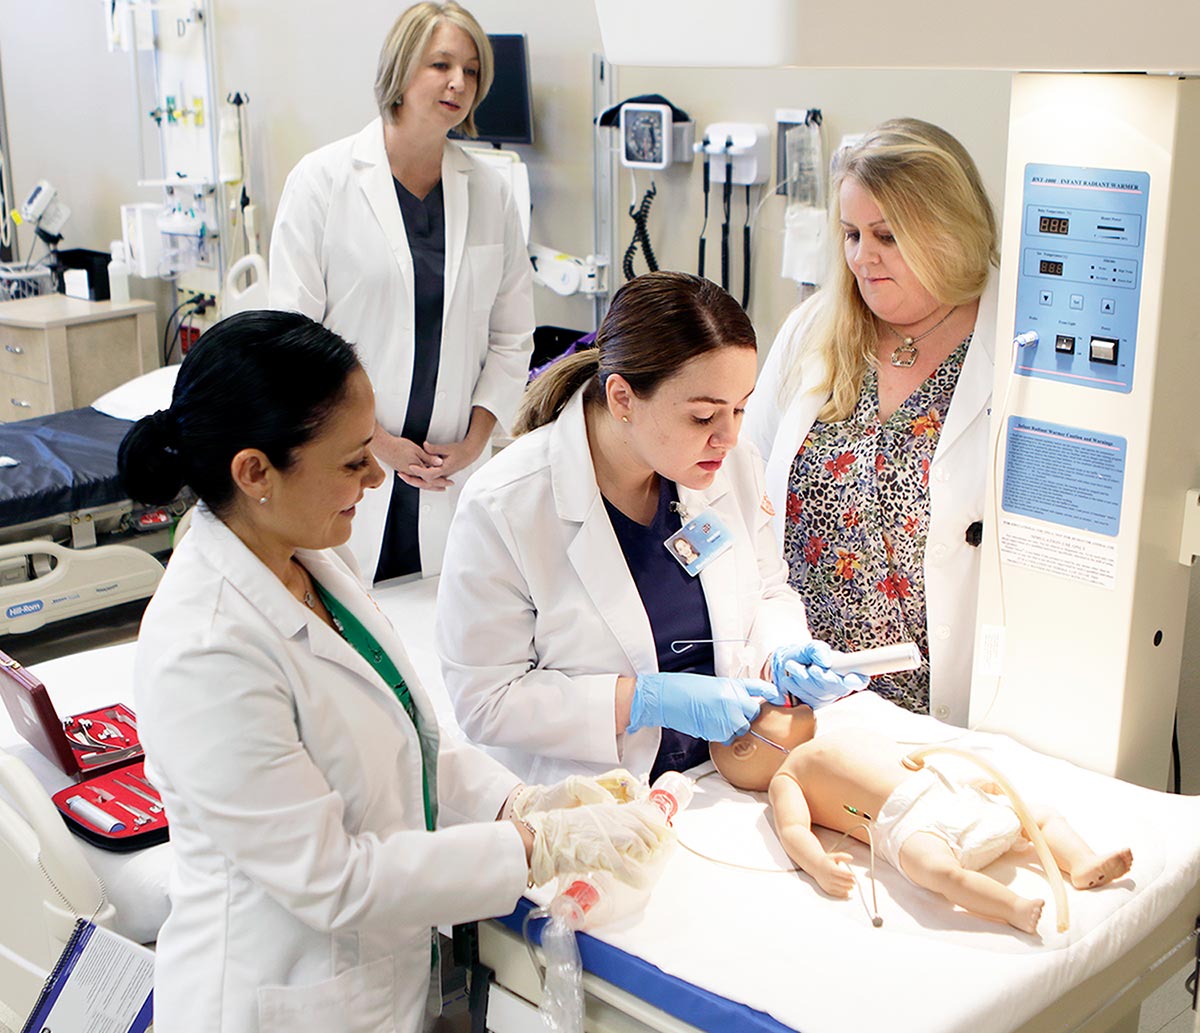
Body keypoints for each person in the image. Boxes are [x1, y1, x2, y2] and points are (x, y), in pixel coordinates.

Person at [118, 311, 674, 1033]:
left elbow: (405, 751)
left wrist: (523, 804)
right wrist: (539, 848)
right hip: (276, 1001)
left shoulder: (314, 560)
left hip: (375, 983)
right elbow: (333, 880)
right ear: (254, 471)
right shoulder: (206, 647)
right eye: (353, 460)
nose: (377, 476)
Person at [437, 271, 864, 788]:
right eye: (703, 416)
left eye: (741, 407)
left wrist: (783, 650)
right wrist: (641, 700)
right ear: (622, 399)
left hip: (719, 774)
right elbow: (487, 702)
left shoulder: (729, 463)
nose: (728, 436)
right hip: (591, 796)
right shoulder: (506, 505)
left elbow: (767, 588)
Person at [745, 118, 999, 723]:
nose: (862, 257)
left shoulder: (1009, 349)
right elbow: (741, 480)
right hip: (803, 686)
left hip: (933, 704)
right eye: (851, 233)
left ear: (948, 232)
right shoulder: (817, 329)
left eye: (887, 236)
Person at [269, 1, 534, 583]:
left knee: (444, 622)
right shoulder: (322, 181)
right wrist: (376, 442)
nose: (458, 82)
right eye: (441, 64)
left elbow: (513, 336)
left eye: (471, 69)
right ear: (400, 69)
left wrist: (474, 441)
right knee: (348, 621)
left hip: (454, 467)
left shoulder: (491, 191)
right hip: (350, 458)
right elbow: (291, 342)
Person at [711, 705, 1133, 934]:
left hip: (944, 790)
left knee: (1036, 814)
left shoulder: (843, 729)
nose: (782, 701)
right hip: (905, 825)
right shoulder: (788, 776)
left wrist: (968, 780)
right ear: (746, 747)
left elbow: (910, 759)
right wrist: (819, 865)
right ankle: (1012, 908)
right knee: (938, 872)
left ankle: (1080, 863)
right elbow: (793, 830)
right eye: (764, 708)